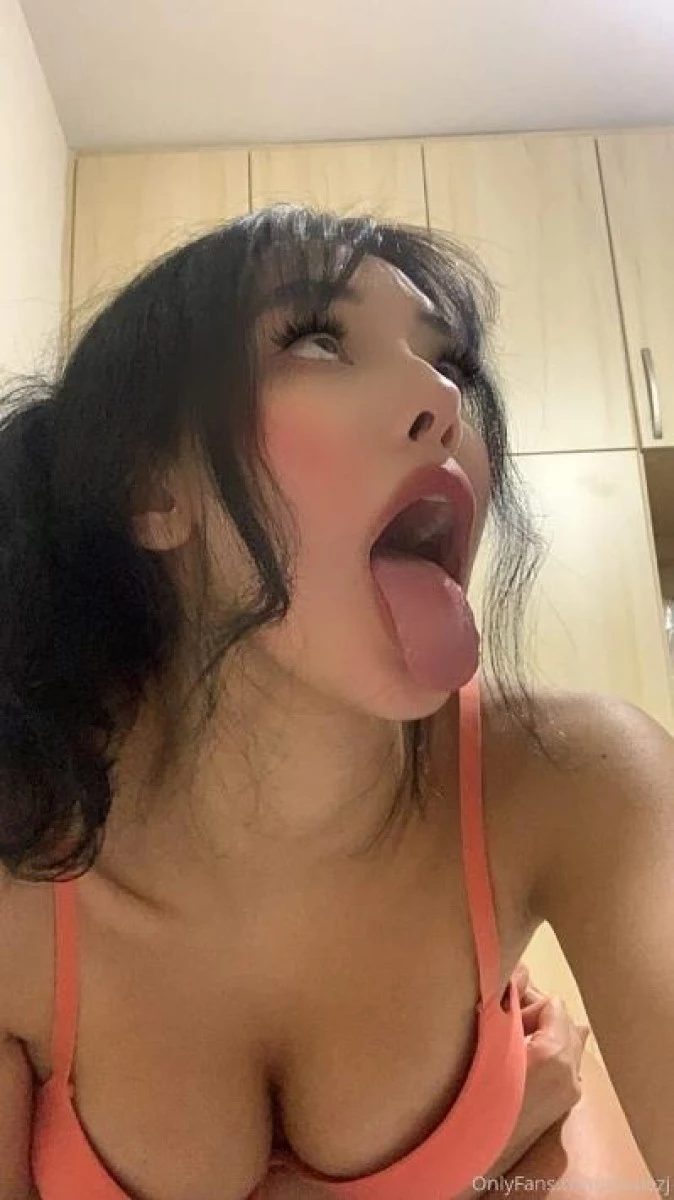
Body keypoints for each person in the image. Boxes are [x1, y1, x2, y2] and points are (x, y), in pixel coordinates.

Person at [0, 205, 669, 1200]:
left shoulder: (578, 778)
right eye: (317, 340)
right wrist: (486, 1151)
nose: (441, 396)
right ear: (154, 489)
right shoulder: (20, 864)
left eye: (451, 362)